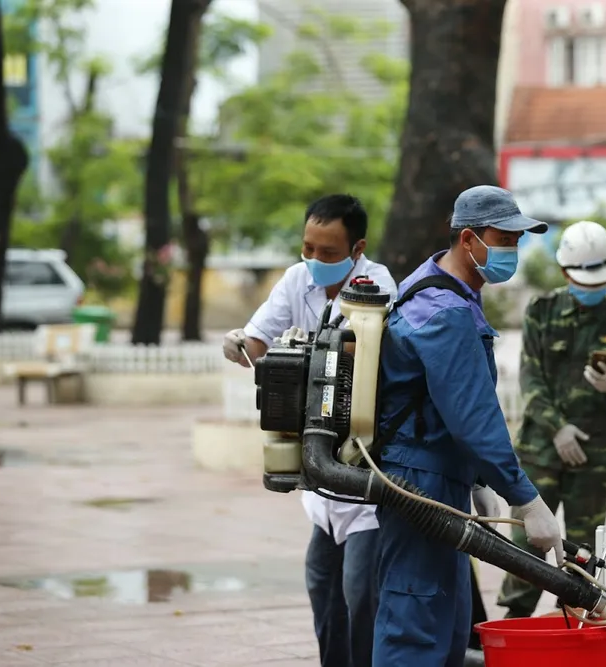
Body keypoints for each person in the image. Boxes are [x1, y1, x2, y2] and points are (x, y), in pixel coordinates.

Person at [372, 185, 565, 666]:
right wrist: (526, 498)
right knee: (415, 629)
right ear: (468, 240)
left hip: (435, 478)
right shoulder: (447, 313)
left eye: (517, 242)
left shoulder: (428, 285)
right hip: (421, 482)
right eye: (503, 239)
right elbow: (474, 419)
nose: (511, 252)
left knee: (445, 624)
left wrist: (475, 480)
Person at [222, 194, 396, 667]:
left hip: (363, 469)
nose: (315, 260)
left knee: (361, 595)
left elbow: (373, 359)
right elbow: (257, 340)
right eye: (308, 248)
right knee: (323, 588)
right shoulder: (297, 280)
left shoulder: (377, 287)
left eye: (328, 252)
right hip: (318, 470)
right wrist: (240, 344)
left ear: (357, 248)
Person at [496, 219, 606, 619]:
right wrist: (558, 429)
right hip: (540, 453)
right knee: (525, 546)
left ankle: (573, 624)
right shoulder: (542, 312)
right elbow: (531, 382)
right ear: (566, 272)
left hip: (594, 459)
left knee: (583, 554)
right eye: (585, 279)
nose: (593, 287)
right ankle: (514, 625)